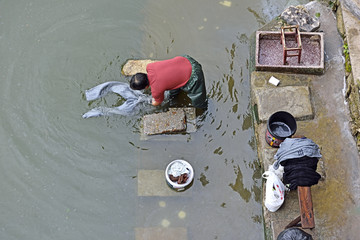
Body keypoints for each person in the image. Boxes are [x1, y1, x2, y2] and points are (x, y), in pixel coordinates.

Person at [129, 55, 207, 109]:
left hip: (194, 74)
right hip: (185, 60)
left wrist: (149, 100)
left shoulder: (156, 89)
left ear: (146, 87)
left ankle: (204, 108)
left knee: (198, 99)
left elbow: (157, 103)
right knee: (170, 85)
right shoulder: (150, 66)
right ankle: (175, 93)